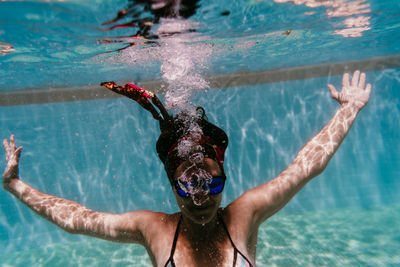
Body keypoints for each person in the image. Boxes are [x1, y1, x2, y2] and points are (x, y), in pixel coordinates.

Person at [3, 70, 371, 266]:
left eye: (211, 184)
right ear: (171, 183)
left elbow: (303, 168)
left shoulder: (244, 214)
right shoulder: (153, 229)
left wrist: (347, 110)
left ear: (224, 177)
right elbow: (78, 219)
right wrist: (16, 186)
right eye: (188, 186)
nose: (200, 198)